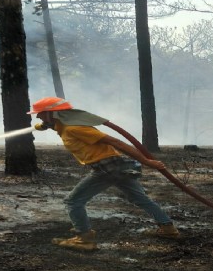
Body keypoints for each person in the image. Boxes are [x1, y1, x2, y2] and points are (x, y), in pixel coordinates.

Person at [27, 97, 179, 251]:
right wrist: (42, 126)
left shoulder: (75, 128)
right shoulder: (62, 125)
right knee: (139, 198)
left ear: (52, 113)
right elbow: (51, 124)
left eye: (40, 113)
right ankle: (168, 228)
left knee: (73, 201)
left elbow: (116, 142)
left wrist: (147, 162)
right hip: (117, 167)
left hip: (107, 169)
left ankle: (84, 239)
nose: (37, 116)